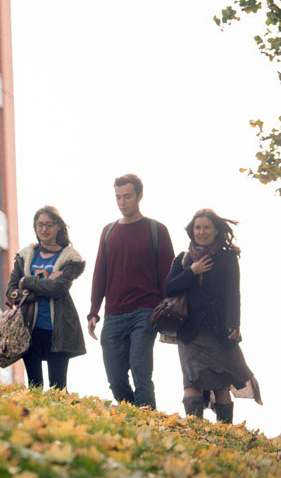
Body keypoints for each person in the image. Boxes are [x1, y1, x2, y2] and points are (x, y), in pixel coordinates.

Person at [164, 209, 261, 423]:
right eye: (197, 227)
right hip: (189, 331)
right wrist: (192, 271)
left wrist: (234, 324)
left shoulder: (227, 257)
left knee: (221, 385)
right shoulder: (183, 259)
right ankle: (194, 432)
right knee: (191, 382)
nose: (202, 232)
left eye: (206, 227)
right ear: (192, 231)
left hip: (217, 330)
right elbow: (168, 289)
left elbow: (233, 293)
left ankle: (224, 432)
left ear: (216, 230)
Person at [88, 174, 175, 409]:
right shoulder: (108, 232)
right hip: (114, 314)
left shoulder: (157, 230)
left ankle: (149, 424)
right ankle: (133, 415)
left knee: (140, 371)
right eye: (118, 197)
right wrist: (93, 312)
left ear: (139, 196)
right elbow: (100, 274)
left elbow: (169, 277)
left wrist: (168, 311)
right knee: (115, 379)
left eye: (127, 196)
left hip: (146, 312)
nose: (122, 202)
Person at [6, 206, 86, 391]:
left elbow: (58, 288)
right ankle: (35, 420)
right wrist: (38, 287)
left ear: (59, 226)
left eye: (49, 224)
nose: (44, 229)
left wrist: (25, 282)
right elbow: (10, 292)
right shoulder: (25, 255)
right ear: (35, 228)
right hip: (28, 327)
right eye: (40, 225)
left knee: (58, 387)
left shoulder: (70, 257)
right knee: (34, 386)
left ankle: (59, 420)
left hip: (59, 328)